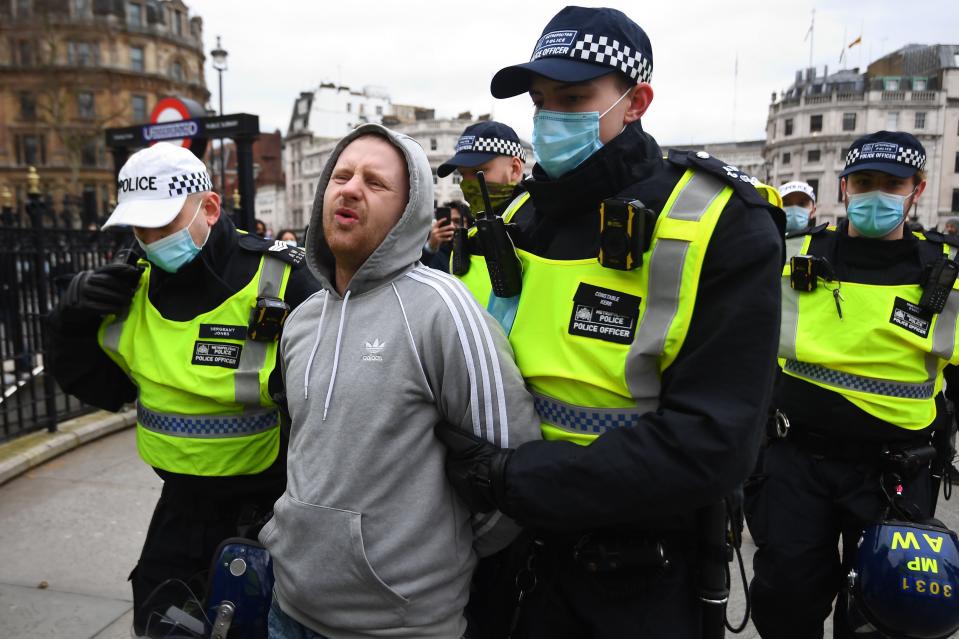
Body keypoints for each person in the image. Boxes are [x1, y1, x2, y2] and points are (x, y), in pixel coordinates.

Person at [433, 6, 785, 638]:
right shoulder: (513, 220)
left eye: (573, 98)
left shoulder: (717, 220)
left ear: (636, 100)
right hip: (496, 557)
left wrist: (515, 480)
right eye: (540, 101)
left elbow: (712, 443)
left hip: (634, 580)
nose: (548, 119)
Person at [260, 123, 540, 639]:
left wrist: (437, 561)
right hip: (288, 608)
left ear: (409, 210)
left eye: (375, 182)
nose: (349, 188)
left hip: (401, 626)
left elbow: (512, 471)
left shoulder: (444, 309)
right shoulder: (301, 321)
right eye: (341, 176)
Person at [46, 142, 320, 635]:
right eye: (139, 227)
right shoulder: (129, 285)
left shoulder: (283, 277)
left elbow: (332, 408)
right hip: (178, 510)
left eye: (163, 223)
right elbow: (100, 385)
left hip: (271, 511)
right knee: (159, 621)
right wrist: (70, 318)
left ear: (209, 207)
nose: (149, 239)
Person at [746, 130, 959, 638]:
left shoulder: (945, 273)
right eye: (863, 181)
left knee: (885, 614)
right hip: (796, 461)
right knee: (787, 600)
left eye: (892, 183)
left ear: (917, 188)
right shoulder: (793, 257)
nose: (875, 194)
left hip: (897, 470)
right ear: (844, 189)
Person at [423, 201, 471, 272]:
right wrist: (430, 247)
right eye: (447, 222)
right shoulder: (434, 253)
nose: (451, 226)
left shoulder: (476, 249)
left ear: (469, 224)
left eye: (457, 221)